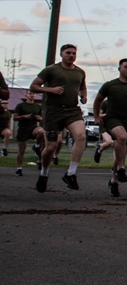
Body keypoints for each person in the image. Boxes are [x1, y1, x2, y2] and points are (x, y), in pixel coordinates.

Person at [30, 44, 88, 192]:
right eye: (68, 53)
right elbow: (34, 86)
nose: (71, 55)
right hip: (53, 111)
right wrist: (50, 89)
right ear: (61, 54)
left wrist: (83, 95)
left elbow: (82, 86)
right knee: (50, 147)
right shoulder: (51, 69)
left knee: (81, 136)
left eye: (74, 53)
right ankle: (44, 173)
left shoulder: (80, 72)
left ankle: (71, 173)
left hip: (72, 110)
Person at [92, 58, 127, 197]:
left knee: (121, 152)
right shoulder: (110, 85)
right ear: (119, 69)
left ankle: (113, 181)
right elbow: (98, 100)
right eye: (126, 67)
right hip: (112, 118)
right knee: (121, 137)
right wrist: (97, 117)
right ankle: (121, 168)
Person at [12, 91, 45, 177]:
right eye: (30, 93)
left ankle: (37, 146)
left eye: (33, 94)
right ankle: (19, 168)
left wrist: (40, 118)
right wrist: (23, 116)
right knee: (21, 151)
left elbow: (42, 120)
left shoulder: (38, 107)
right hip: (23, 129)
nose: (32, 95)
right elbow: (15, 117)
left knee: (41, 131)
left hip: (33, 127)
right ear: (26, 95)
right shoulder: (21, 105)